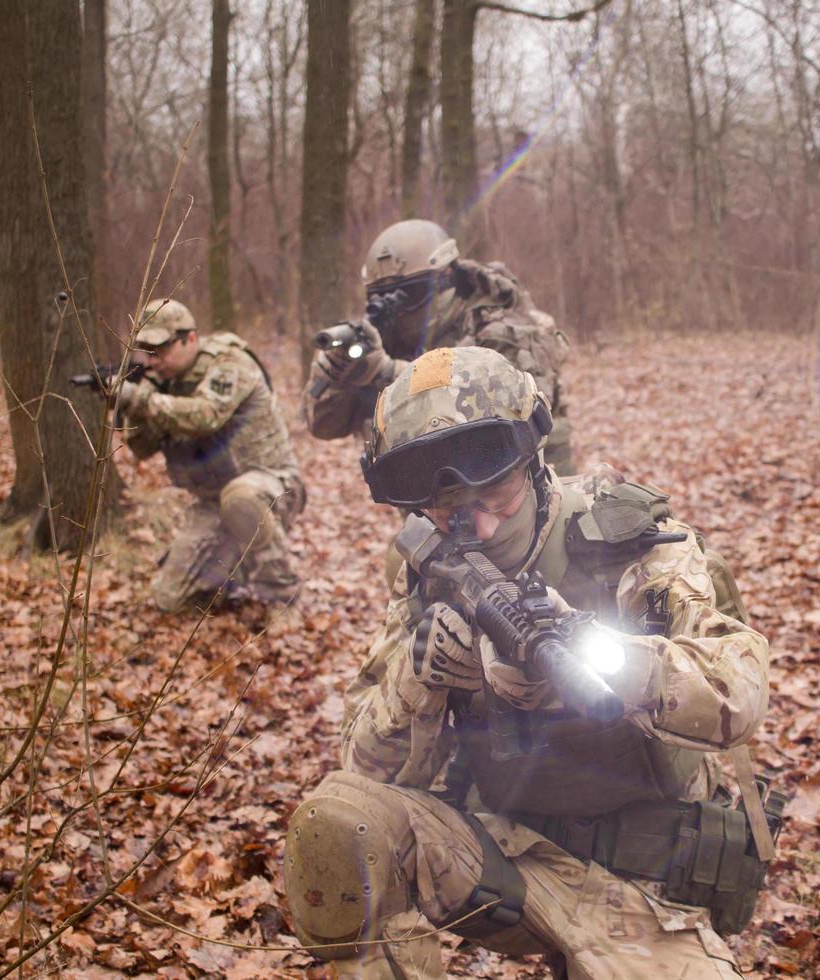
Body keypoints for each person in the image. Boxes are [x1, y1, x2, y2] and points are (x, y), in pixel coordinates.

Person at [282, 346, 773, 978]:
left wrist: (606, 656)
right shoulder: (427, 571)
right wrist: (422, 675)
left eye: (498, 492)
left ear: (534, 461)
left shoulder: (621, 541)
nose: (478, 526)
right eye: (448, 507)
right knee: (339, 825)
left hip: (643, 881)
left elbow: (742, 689)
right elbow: (363, 763)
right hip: (503, 859)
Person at [305, 219, 576, 474]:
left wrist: (388, 373)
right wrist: (335, 378)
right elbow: (324, 427)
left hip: (528, 480)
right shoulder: (389, 340)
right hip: (438, 494)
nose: (396, 310)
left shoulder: (502, 326)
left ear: (446, 278)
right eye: (379, 296)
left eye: (408, 294)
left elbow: (494, 420)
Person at [112, 298, 305, 612]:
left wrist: (142, 400)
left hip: (271, 486)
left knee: (240, 500)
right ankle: (234, 568)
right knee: (170, 599)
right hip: (211, 502)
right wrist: (130, 406)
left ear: (189, 339)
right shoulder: (161, 382)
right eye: (146, 353)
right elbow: (142, 449)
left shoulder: (229, 362)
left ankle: (283, 598)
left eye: (159, 351)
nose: (152, 361)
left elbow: (204, 415)